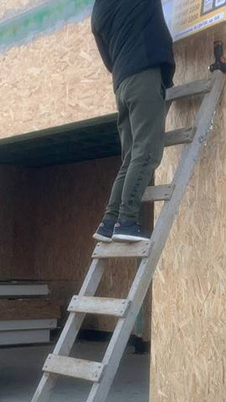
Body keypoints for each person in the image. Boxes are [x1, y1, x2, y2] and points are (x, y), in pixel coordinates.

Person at [91, 0, 175, 243]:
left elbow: (108, 61)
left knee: (130, 157)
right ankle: (127, 221)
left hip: (122, 83)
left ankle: (109, 222)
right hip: (143, 74)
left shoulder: (98, 10)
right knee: (146, 153)